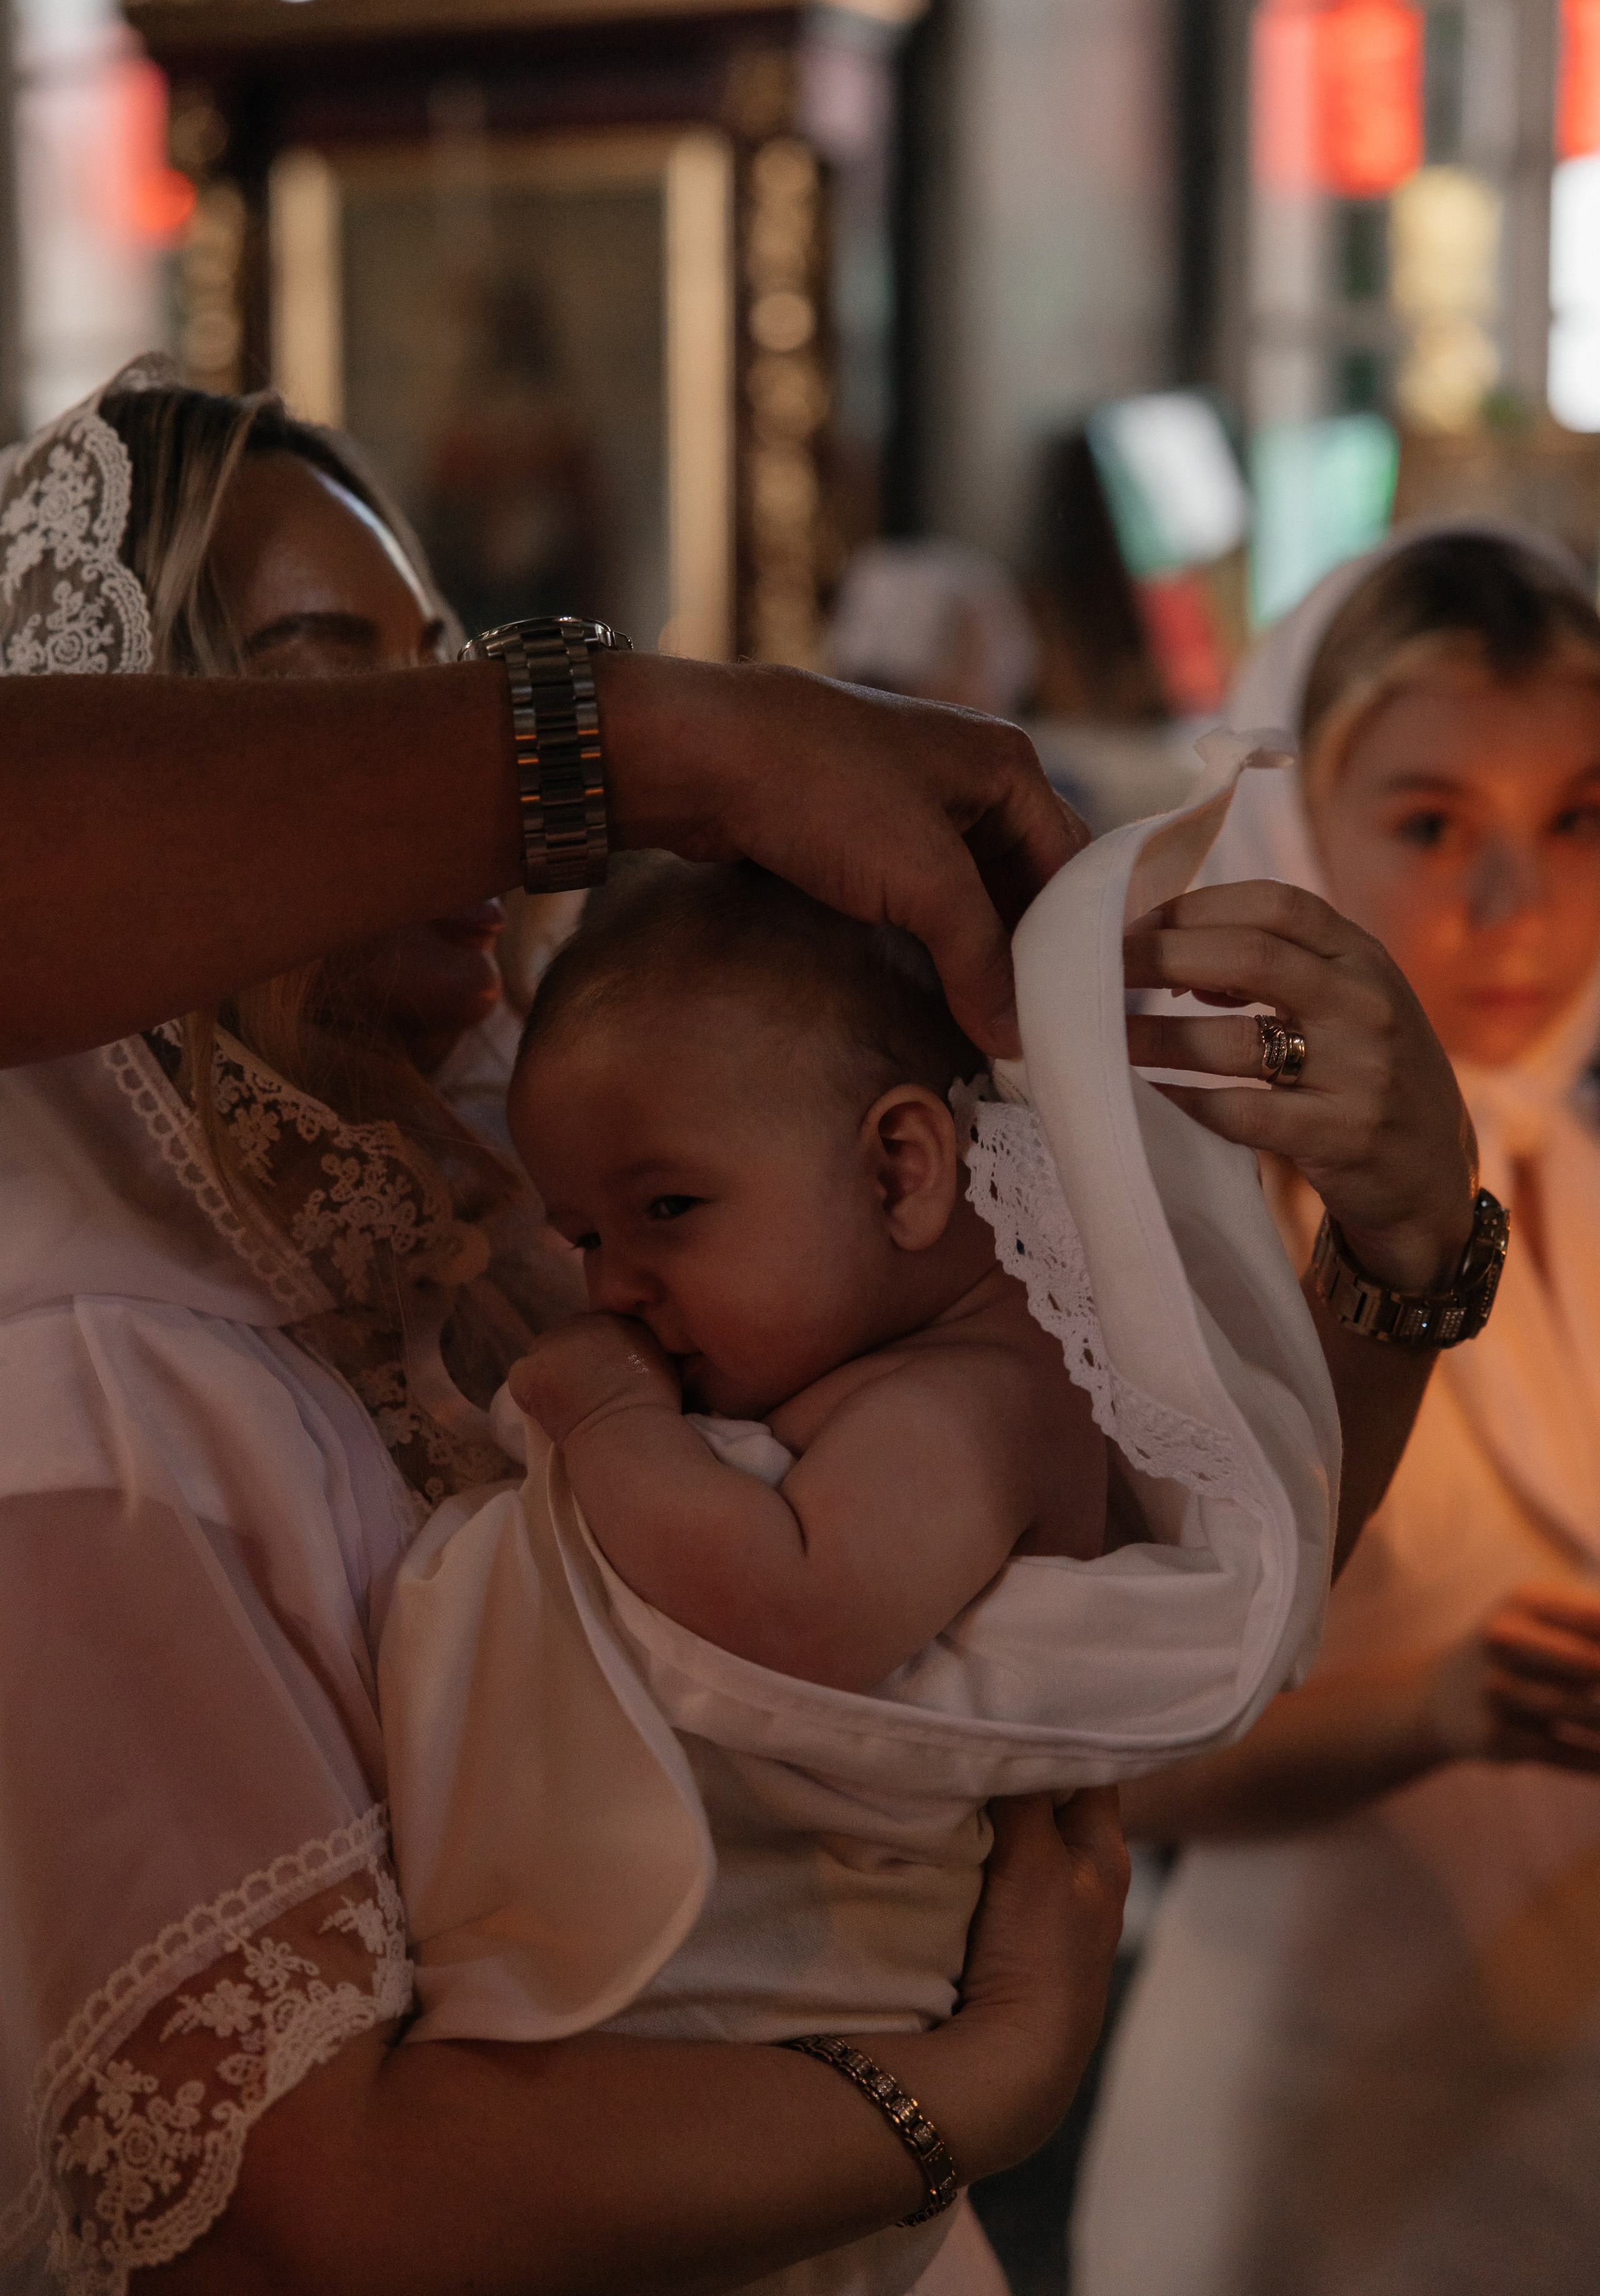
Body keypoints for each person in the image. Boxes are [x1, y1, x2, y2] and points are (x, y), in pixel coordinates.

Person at [0, 354, 1469, 2296]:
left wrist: (1407, 1247)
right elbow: (311, 2199)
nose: (467, 757)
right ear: (161, 778)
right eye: (337, 676)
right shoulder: (94, 1375)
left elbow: (1100, 1643)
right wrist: (965, 2090)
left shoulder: (510, 1221)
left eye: (447, 660)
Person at [376, 761, 1346, 2295]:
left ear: (902, 1166)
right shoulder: (888, 1366)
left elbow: (800, 1607)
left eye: (667, 1209)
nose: (612, 1283)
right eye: (580, 1234)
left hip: (805, 1974)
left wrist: (612, 1422)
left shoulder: (972, 1393)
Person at [1074, 524, 1600, 2296]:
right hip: (1308, 2110)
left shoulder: (1582, 1189)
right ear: (1300, 840)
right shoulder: (1222, 1232)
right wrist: (1437, 1702)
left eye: (1580, 818)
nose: (1517, 910)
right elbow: (1108, 1765)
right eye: (1436, 826)